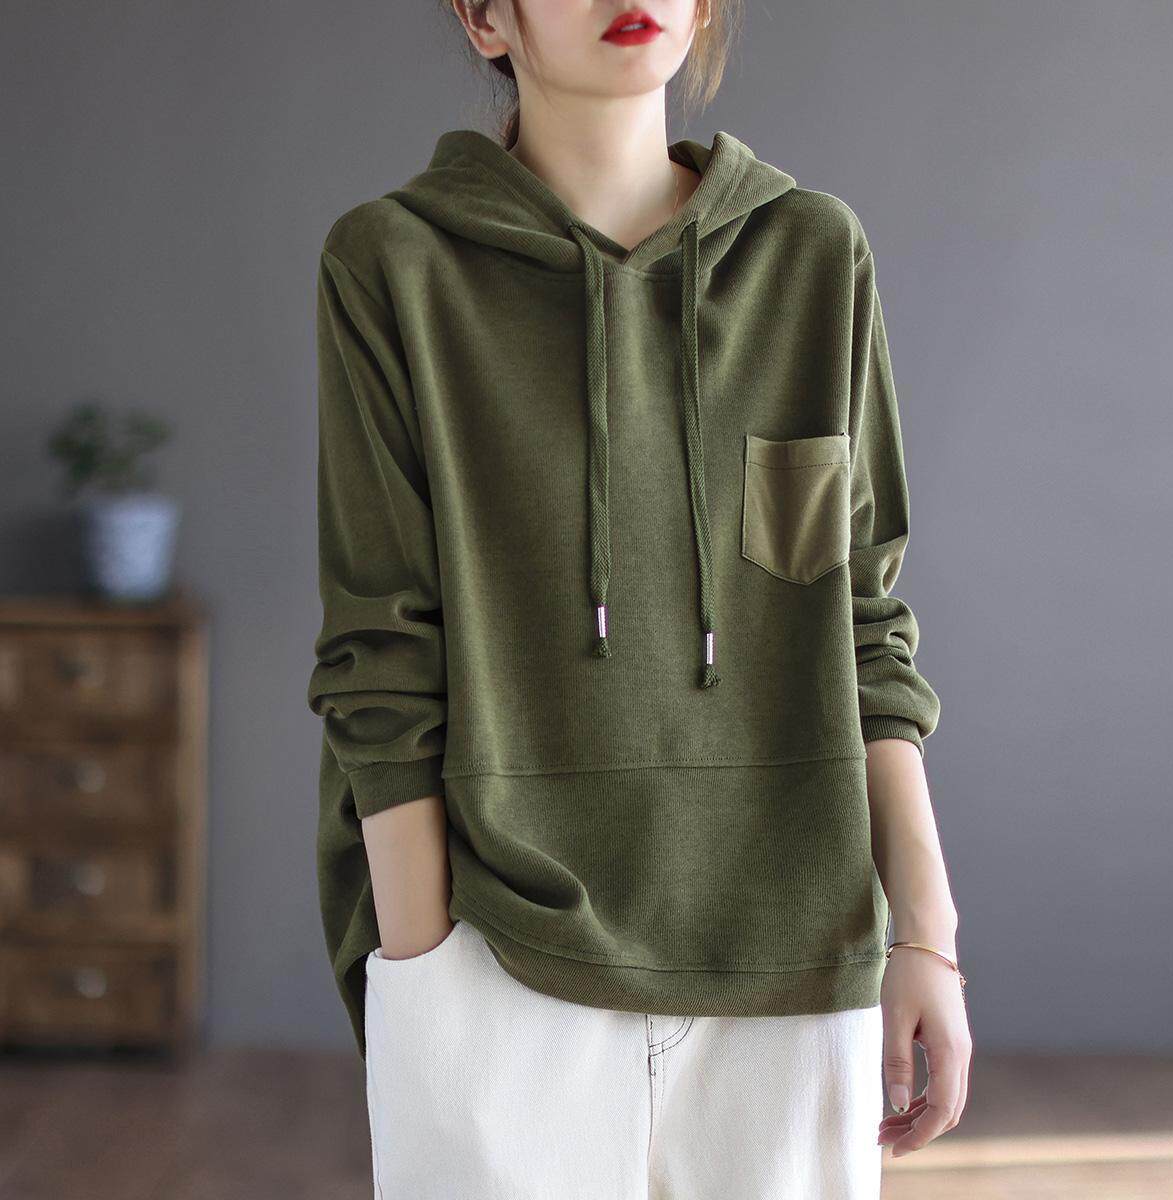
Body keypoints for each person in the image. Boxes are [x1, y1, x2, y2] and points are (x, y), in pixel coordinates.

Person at [306, 1, 972, 1196]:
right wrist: (427, 973)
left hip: (792, 959)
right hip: (499, 959)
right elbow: (381, 650)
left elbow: (856, 622)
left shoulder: (809, 255)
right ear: (485, 15)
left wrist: (926, 932)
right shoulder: (395, 263)